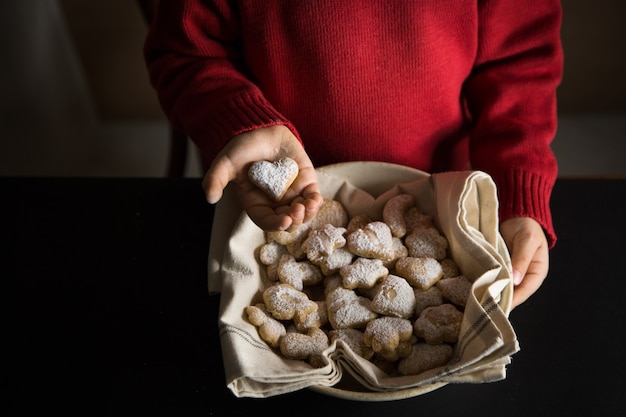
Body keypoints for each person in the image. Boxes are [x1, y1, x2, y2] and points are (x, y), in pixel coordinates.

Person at [143, 1, 563, 309]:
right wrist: (236, 117)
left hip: (441, 194)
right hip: (264, 197)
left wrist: (515, 193)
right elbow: (185, 54)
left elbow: (519, 70)